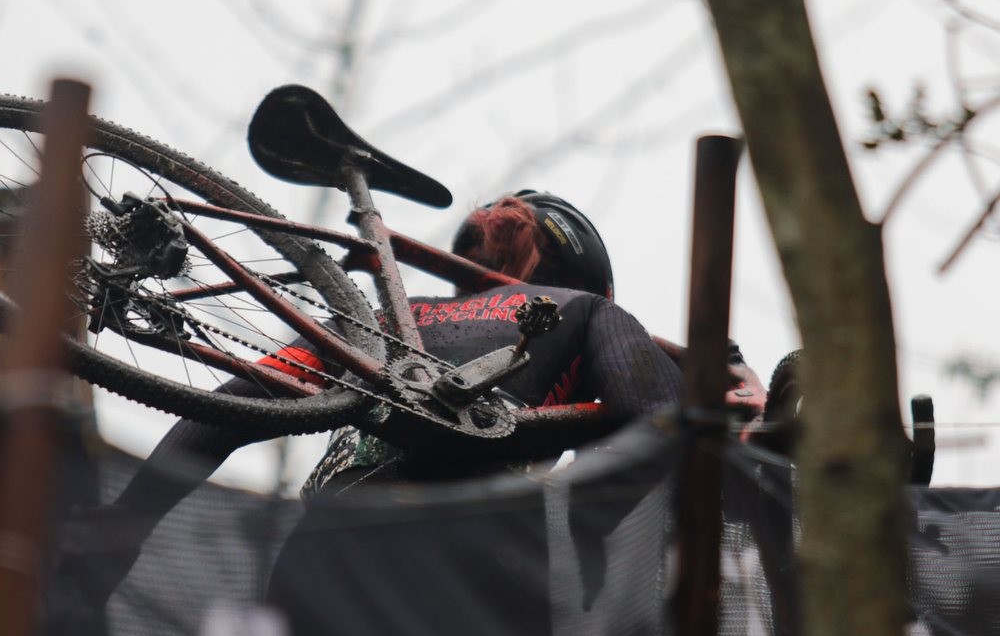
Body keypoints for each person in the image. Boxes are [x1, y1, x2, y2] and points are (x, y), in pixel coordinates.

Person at [115, 189, 680, 516]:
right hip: (473, 566)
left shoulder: (386, 323)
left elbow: (230, 408)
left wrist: (127, 522)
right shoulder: (586, 311)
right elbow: (653, 418)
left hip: (324, 554)